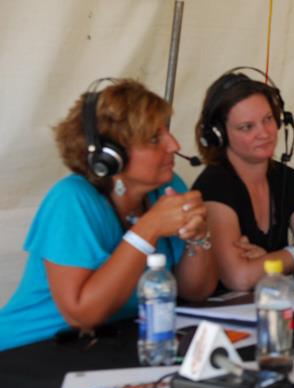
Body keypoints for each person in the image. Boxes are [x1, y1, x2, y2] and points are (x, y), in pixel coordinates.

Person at [0, 79, 218, 351]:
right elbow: (82, 314)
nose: (173, 145)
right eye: (154, 139)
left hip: (107, 344)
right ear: (111, 156)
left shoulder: (168, 187)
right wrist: (148, 229)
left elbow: (196, 291)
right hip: (29, 349)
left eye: (167, 132)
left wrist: (199, 235)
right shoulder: (71, 200)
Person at [192, 69, 294, 291]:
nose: (264, 133)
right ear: (219, 135)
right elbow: (239, 277)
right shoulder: (214, 186)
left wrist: (269, 260)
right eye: (247, 127)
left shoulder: (288, 179)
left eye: (268, 119)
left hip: (277, 303)